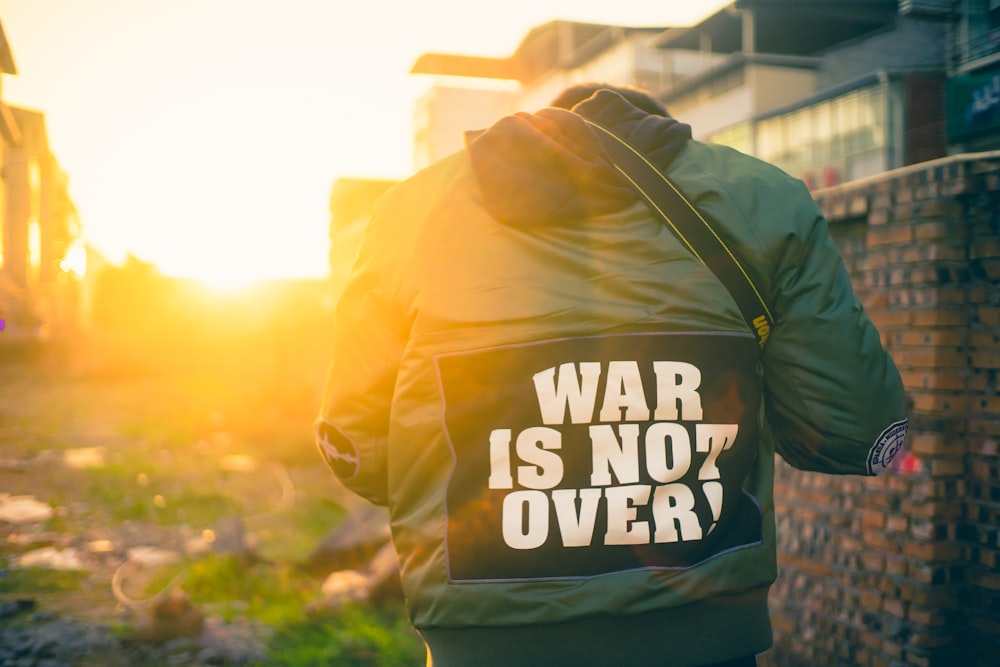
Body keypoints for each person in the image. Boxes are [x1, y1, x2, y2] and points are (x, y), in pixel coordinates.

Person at [314, 83, 908, 667]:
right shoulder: (761, 201)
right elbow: (856, 429)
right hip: (704, 637)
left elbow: (359, 447)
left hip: (485, 639)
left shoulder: (411, 214)